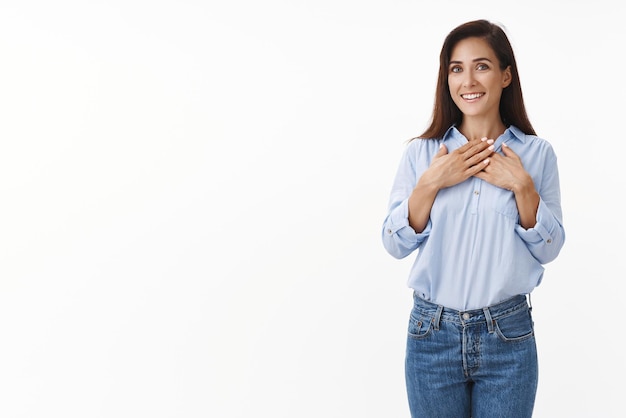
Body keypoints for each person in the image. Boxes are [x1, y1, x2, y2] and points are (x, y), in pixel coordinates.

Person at [381, 19, 565, 418]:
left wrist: (523, 189)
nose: (468, 80)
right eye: (456, 68)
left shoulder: (537, 154)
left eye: (481, 66)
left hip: (508, 336)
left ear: (505, 76)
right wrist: (431, 184)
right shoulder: (421, 154)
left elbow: (550, 250)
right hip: (432, 336)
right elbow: (394, 243)